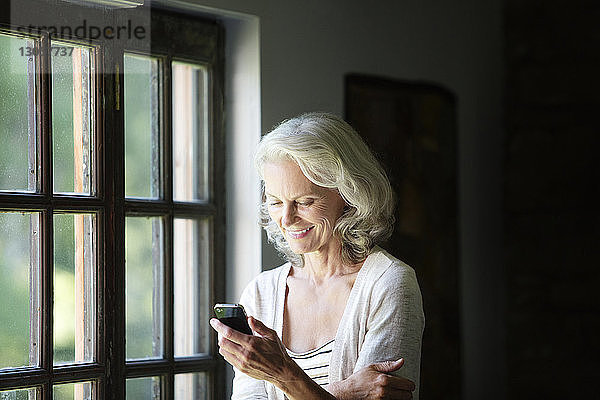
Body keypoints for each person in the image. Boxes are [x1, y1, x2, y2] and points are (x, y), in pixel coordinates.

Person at [210, 112, 425, 399]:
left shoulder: (388, 284)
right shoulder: (260, 294)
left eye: (304, 201)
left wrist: (284, 374)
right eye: (275, 202)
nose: (286, 219)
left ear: (349, 194)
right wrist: (347, 392)